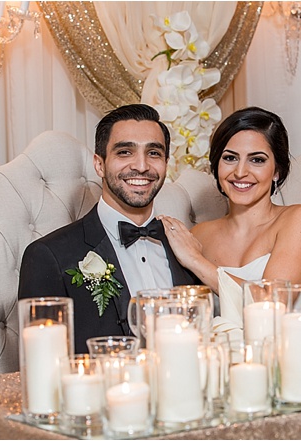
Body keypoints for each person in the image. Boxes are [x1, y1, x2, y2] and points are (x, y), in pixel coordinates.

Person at [18, 104, 198, 353]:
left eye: (154, 153)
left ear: (166, 163)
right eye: (125, 152)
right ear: (99, 164)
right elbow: (41, 365)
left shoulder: (187, 248)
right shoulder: (49, 256)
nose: (142, 166)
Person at [158, 106, 301, 301]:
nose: (240, 172)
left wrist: (195, 261)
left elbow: (271, 303)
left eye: (257, 160)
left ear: (277, 171)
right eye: (230, 158)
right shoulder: (199, 235)